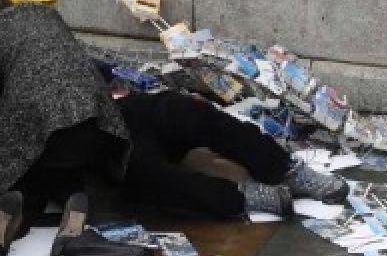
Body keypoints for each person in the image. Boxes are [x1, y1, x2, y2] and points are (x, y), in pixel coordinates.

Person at [0, 0, 130, 256]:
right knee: (59, 162)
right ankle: (71, 202)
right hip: (94, 124)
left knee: (15, 162)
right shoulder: (45, 13)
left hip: (39, 131)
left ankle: (17, 204)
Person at [116, 90, 349, 218]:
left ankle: (284, 169)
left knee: (187, 110)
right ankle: (241, 197)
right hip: (103, 138)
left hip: (121, 109)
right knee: (143, 171)